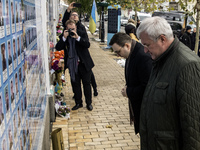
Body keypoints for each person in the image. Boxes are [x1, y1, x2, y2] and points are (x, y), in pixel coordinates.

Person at [136, 16, 200, 149]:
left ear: (162, 39)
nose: (145, 50)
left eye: (147, 45)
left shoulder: (187, 65)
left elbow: (193, 126)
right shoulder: (161, 59)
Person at [109, 32, 152, 134]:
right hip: (138, 108)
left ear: (127, 46)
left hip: (145, 111)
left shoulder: (142, 56)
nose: (118, 55)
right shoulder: (131, 53)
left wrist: (129, 91)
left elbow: (148, 87)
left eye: (118, 51)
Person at [56, 19, 94, 111]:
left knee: (87, 84)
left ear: (76, 27)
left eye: (73, 28)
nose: (72, 31)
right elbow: (58, 47)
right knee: (75, 84)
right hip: (73, 65)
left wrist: (77, 38)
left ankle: (89, 103)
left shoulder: (81, 33)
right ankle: (78, 103)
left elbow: (87, 44)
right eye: (70, 29)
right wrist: (64, 38)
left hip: (84, 63)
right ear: (66, 28)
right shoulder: (65, 35)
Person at [61, 2, 98, 97]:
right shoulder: (67, 27)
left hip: (83, 59)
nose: (74, 17)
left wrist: (76, 35)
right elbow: (64, 22)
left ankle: (94, 89)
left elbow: (86, 42)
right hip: (73, 60)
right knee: (76, 81)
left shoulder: (80, 27)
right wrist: (68, 10)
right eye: (72, 15)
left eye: (76, 15)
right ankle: (77, 97)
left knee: (89, 79)